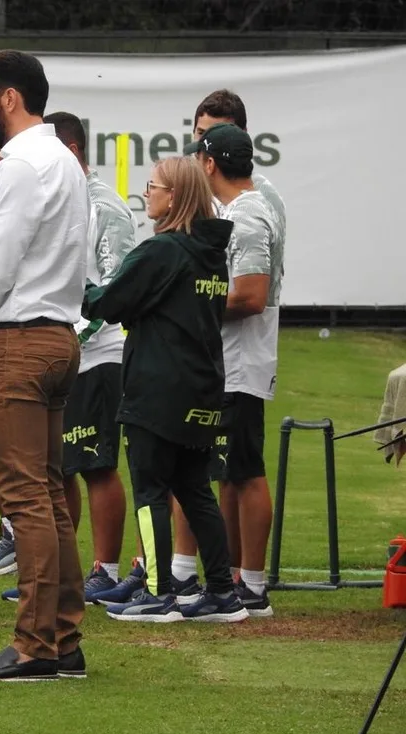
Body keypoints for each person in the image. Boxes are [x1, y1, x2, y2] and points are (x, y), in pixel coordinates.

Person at [0, 50, 89, 681]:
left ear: (8, 98)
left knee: (24, 499)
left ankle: (35, 644)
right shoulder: (62, 158)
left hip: (19, 340)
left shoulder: (20, 164)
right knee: (50, 497)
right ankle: (63, 639)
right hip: (59, 336)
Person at [82, 156, 248, 624]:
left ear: (173, 196)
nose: (146, 194)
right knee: (195, 489)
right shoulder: (209, 253)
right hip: (203, 386)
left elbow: (110, 303)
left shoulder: (161, 251)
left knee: (151, 488)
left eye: (152, 186)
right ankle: (221, 593)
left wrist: (77, 288)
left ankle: (157, 593)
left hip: (158, 387)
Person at [183, 122, 285, 617]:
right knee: (228, 470)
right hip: (230, 357)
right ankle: (230, 580)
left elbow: (251, 294)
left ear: (208, 164)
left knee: (245, 470)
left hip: (242, 360)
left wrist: (194, 302)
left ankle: (254, 587)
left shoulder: (246, 216)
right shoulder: (235, 210)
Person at [41, 111, 134, 603]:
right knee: (61, 466)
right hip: (62, 349)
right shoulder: (61, 198)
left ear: (72, 152)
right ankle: (64, 570)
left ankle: (105, 567)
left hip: (99, 351)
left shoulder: (107, 207)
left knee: (97, 463)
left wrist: (76, 333)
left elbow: (115, 287)